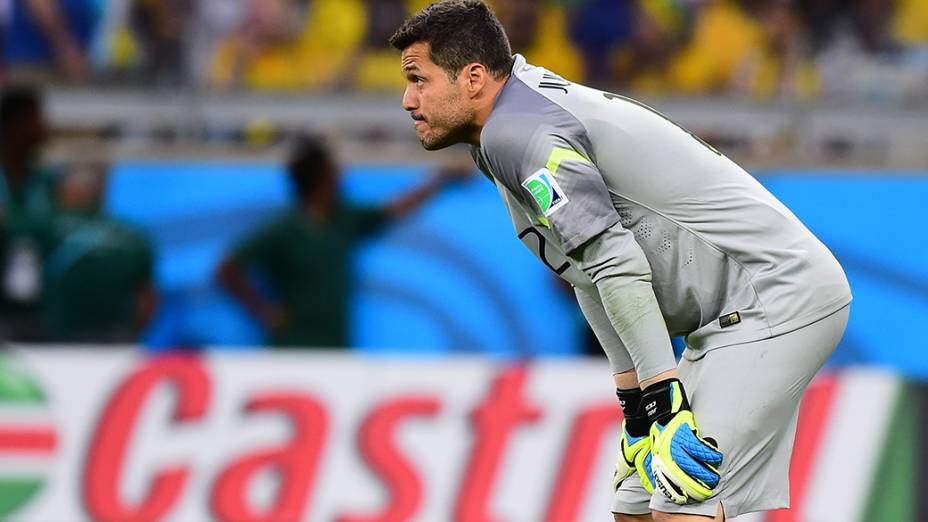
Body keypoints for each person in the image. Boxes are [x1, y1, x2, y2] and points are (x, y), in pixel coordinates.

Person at [389, 1, 851, 521]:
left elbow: (615, 263)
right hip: (725, 319)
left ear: (473, 78)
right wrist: (636, 406)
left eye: (418, 79)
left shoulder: (521, 134)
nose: (407, 100)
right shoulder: (505, 127)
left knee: (684, 507)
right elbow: (587, 273)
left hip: (776, 298)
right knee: (632, 507)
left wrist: (663, 399)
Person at [217, 135, 466, 349]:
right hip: (292, 349)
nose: (341, 174)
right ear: (320, 177)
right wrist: (262, 310)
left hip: (335, 350)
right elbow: (227, 268)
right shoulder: (283, 229)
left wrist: (438, 180)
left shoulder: (342, 219)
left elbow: (393, 209)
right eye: (333, 169)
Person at [43, 163, 157, 343]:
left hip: (53, 341)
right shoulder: (133, 234)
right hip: (117, 339)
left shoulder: (44, 227)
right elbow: (147, 301)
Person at [0, 85, 58, 341]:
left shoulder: (45, 181)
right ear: (15, 125)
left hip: (40, 307)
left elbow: (57, 230)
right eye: (37, 119)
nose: (45, 128)